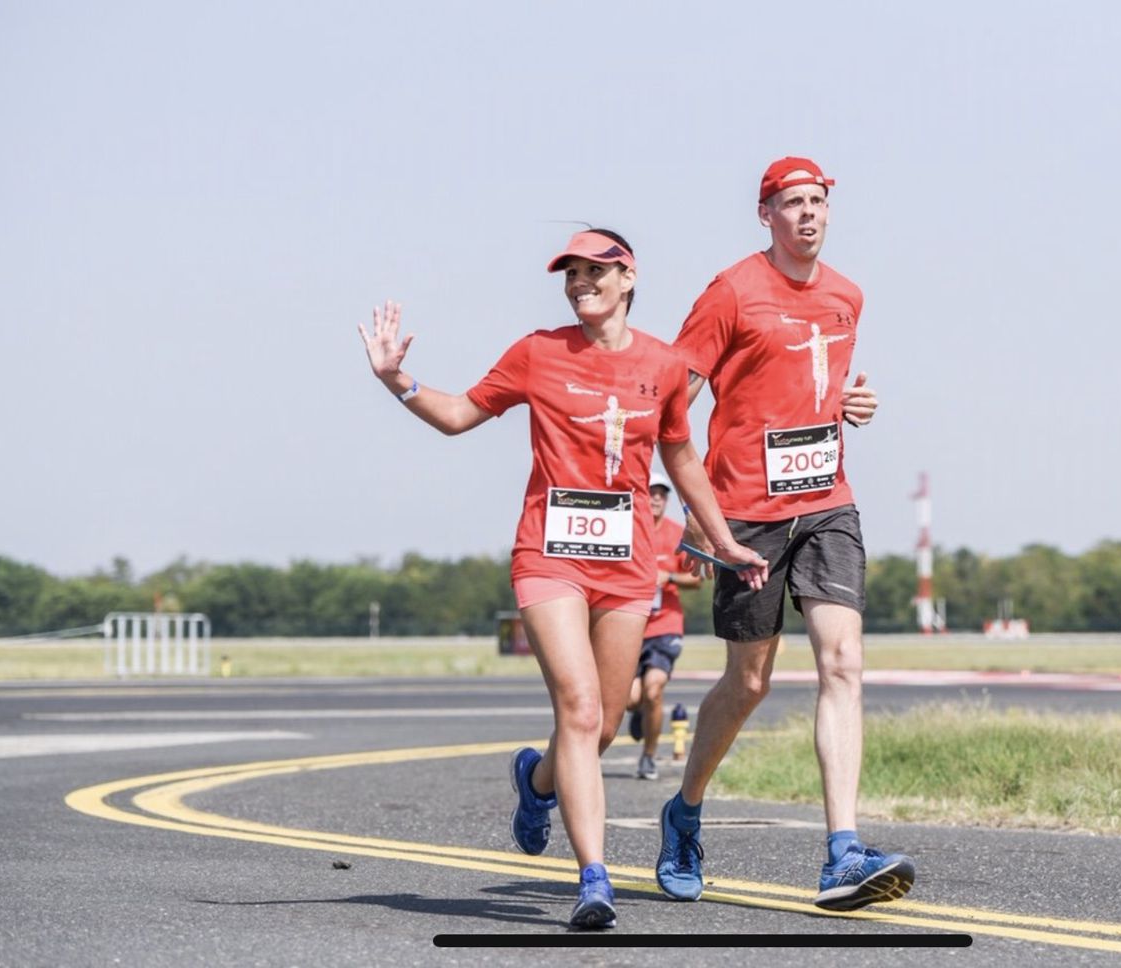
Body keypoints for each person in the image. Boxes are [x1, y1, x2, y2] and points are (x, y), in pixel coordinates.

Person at [358, 228, 768, 930]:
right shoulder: (538, 353)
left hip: (629, 564)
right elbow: (459, 415)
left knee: (604, 723)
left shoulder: (666, 366)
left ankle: (536, 780)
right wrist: (400, 382)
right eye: (570, 274)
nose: (581, 283)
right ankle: (594, 878)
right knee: (578, 711)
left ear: (628, 277)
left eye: (595, 272)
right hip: (549, 558)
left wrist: (723, 539)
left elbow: (683, 459)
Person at [654, 158, 915, 912]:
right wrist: (689, 515)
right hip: (745, 512)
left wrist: (852, 401)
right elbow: (677, 399)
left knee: (843, 661)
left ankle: (842, 850)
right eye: (792, 203)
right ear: (765, 214)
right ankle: (686, 811)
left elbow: (819, 386)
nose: (808, 214)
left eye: (818, 202)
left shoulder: (846, 296)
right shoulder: (731, 292)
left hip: (828, 502)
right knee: (751, 682)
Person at [625, 471, 702, 780]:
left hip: (665, 625)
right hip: (629, 625)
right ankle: (641, 712)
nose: (656, 498)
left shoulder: (677, 534)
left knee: (654, 689)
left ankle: (648, 756)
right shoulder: (625, 531)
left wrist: (668, 577)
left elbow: (696, 578)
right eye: (651, 492)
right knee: (630, 698)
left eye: (662, 493)